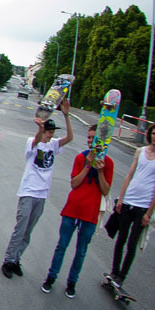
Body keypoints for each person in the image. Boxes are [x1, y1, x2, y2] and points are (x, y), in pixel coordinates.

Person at [2, 102, 73, 278]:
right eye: (49, 132)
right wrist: (40, 129)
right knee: (20, 228)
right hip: (28, 192)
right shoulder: (32, 144)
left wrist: (66, 115)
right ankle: (8, 260)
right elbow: (35, 140)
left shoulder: (53, 145)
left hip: (42, 195)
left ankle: (16, 259)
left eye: (51, 133)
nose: (50, 136)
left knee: (28, 231)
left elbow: (70, 138)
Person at [42, 126, 113, 297]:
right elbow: (74, 183)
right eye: (88, 138)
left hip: (90, 212)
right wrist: (88, 166)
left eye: (93, 138)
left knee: (81, 251)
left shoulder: (108, 163)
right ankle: (52, 276)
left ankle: (72, 282)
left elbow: (105, 190)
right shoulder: (81, 157)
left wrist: (101, 172)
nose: (90, 141)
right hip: (73, 208)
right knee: (62, 245)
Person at [110, 122, 155, 285]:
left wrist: (148, 213)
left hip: (143, 207)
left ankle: (122, 276)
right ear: (150, 135)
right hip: (129, 201)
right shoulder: (140, 151)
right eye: (154, 133)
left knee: (131, 244)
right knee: (121, 239)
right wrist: (121, 198)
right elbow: (129, 175)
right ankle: (114, 272)